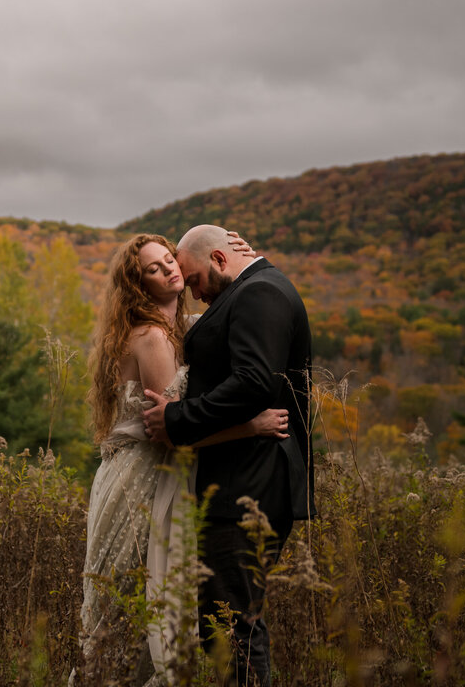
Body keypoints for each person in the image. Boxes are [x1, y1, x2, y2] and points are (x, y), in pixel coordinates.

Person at [79, 232, 290, 686]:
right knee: (137, 608)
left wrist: (246, 258)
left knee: (152, 604)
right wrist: (250, 426)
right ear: (138, 286)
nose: (169, 270)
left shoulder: (183, 325)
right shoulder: (153, 337)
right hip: (145, 478)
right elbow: (170, 433)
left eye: (169, 260)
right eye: (153, 269)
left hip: (156, 475)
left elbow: (227, 291)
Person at [143, 224, 314, 687]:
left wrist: (177, 418)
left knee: (231, 628)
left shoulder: (260, 294)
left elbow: (255, 382)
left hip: (249, 487)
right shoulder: (251, 288)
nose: (194, 293)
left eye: (194, 278)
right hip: (241, 482)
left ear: (220, 260)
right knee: (227, 622)